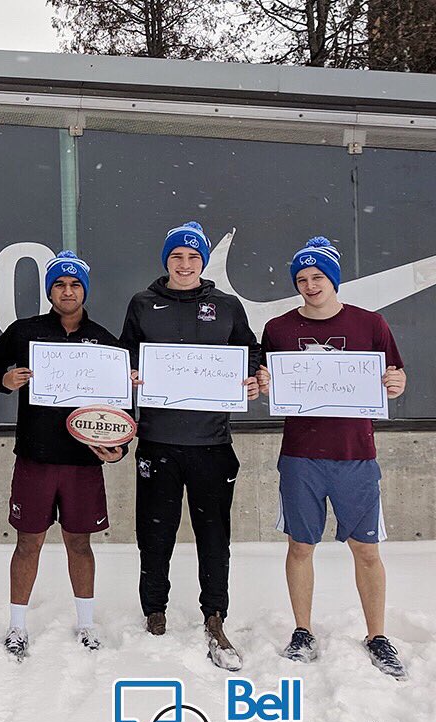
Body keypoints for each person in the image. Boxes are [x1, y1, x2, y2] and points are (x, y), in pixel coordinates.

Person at [257, 236, 408, 679]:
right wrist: (265, 382)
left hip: (355, 454)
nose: (309, 285)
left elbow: (394, 376)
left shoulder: (370, 324)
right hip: (301, 456)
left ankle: (377, 635)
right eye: (301, 279)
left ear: (334, 279)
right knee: (301, 545)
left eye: (317, 276)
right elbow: (268, 380)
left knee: (365, 548)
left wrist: (396, 384)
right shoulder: (279, 329)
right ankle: (302, 631)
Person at [120, 221, 261, 671]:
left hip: (212, 444)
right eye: (177, 257)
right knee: (154, 533)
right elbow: (127, 355)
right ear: (166, 261)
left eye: (193, 257)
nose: (185, 264)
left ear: (203, 262)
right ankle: (154, 609)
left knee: (214, 535)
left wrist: (253, 377)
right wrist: (130, 375)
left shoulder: (225, 305)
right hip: (158, 441)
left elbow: (250, 351)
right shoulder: (143, 303)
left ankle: (214, 613)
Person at [0, 251, 125, 661]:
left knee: (80, 544)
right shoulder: (25, 331)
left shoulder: (105, 342)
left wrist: (117, 448)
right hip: (35, 458)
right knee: (29, 543)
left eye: (75, 284)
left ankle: (87, 623)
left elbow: (120, 407)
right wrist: (5, 379)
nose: (67, 291)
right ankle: (17, 626)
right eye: (59, 284)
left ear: (85, 291)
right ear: (49, 291)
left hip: (82, 462)